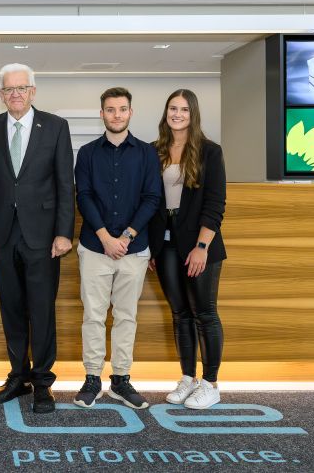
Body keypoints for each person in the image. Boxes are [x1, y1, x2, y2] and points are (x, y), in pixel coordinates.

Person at [0, 63, 74, 414]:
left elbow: (66, 183)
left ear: (32, 91)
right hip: (2, 235)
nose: (15, 94)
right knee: (12, 309)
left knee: (42, 310)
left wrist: (65, 233)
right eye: (8, 89)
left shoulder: (56, 127)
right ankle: (18, 376)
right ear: (1, 94)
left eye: (21, 88)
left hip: (44, 236)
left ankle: (43, 382)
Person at [73, 87, 160, 410]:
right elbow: (84, 196)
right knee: (93, 315)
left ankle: (121, 379)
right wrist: (106, 237)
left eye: (122, 109)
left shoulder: (147, 153)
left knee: (127, 316)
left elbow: (152, 197)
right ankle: (92, 379)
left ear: (130, 113)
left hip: (134, 249)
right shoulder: (87, 153)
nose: (116, 115)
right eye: (110, 110)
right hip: (95, 248)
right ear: (102, 114)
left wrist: (126, 236)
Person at [148, 88, 226, 410]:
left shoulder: (210, 151)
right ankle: (187, 377)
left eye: (183, 109)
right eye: (172, 108)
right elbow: (151, 202)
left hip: (199, 245)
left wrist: (201, 246)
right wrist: (151, 247)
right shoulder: (155, 151)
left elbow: (215, 204)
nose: (177, 114)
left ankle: (210, 383)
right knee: (179, 314)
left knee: (204, 313)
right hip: (165, 245)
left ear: (192, 114)